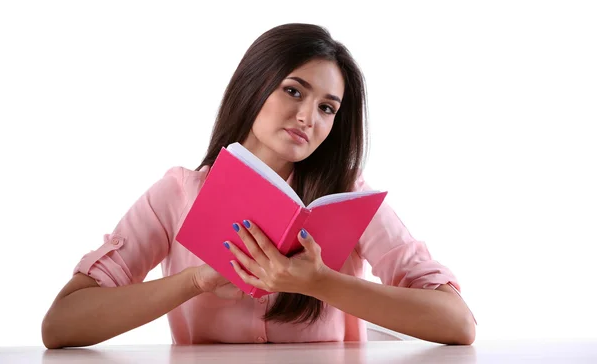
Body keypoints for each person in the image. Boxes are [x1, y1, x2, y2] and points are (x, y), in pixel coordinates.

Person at [41, 23, 476, 349]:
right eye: (293, 91)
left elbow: (458, 323)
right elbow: (61, 325)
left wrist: (320, 282)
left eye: (327, 107)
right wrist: (197, 280)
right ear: (254, 85)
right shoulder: (177, 194)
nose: (309, 117)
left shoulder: (350, 199)